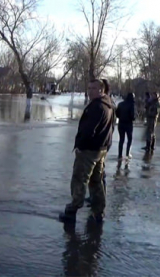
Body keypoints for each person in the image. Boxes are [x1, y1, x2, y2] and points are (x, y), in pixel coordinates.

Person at [59, 79, 116, 223]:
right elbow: (111, 128)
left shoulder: (97, 107)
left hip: (90, 150)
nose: (90, 91)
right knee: (96, 181)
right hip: (101, 149)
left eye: (93, 88)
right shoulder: (108, 104)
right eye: (89, 88)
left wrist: (80, 146)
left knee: (80, 179)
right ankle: (98, 212)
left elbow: (88, 130)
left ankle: (72, 210)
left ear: (101, 90)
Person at [116, 92, 135, 160]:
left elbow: (117, 114)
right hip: (128, 124)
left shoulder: (120, 104)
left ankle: (120, 155)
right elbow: (132, 116)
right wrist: (133, 118)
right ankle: (127, 153)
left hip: (121, 123)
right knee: (129, 139)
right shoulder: (131, 104)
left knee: (121, 139)